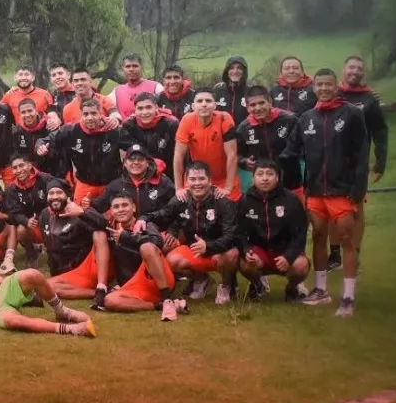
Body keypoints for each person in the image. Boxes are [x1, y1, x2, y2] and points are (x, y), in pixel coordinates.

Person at [283, 68, 369, 317]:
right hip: (316, 191)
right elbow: (290, 152)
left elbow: (362, 154)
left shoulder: (352, 114)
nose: (323, 89)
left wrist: (359, 187)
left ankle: (349, 297)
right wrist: (279, 172)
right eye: (319, 85)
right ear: (314, 88)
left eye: (328, 84)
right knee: (319, 237)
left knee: (346, 242)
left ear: (336, 86)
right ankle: (320, 290)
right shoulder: (307, 117)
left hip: (343, 191)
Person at [139, 161, 240, 305]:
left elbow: (231, 236)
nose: (197, 183)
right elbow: (164, 214)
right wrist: (144, 218)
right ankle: (201, 279)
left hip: (218, 251)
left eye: (201, 179)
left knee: (232, 254)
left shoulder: (223, 203)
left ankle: (226, 286)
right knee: (171, 260)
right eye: (192, 179)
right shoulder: (182, 199)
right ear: (186, 182)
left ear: (210, 181)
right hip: (194, 250)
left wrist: (209, 246)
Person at [338, 55, 389, 269]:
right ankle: (334, 256)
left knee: (356, 208)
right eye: (351, 67)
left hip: (357, 162)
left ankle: (354, 254)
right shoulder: (331, 92)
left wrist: (380, 161)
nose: (355, 72)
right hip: (329, 159)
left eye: (359, 69)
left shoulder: (369, 98)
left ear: (363, 73)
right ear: (344, 69)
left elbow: (380, 130)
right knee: (331, 210)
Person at [98, 192, 183, 319]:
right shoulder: (112, 229)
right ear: (111, 211)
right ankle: (159, 306)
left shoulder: (144, 224)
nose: (121, 209)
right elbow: (94, 221)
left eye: (125, 205)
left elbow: (157, 241)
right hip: (136, 285)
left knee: (147, 246)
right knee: (110, 301)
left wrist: (127, 237)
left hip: (156, 279)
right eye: (116, 207)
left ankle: (167, 298)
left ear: (133, 208)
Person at [238, 160, 310, 302]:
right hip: (260, 252)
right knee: (244, 263)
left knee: (301, 266)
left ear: (278, 177)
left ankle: (293, 287)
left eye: (270, 174)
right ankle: (258, 285)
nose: (265, 178)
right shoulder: (245, 200)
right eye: (260, 174)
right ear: (253, 178)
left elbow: (300, 234)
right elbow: (238, 232)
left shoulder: (291, 199)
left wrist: (289, 256)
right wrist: (246, 250)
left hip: (284, 251)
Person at [37, 99, 124, 206]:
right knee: (79, 216)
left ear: (100, 113)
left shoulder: (113, 129)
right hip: (85, 183)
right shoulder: (71, 130)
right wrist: (40, 146)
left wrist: (120, 121)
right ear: (81, 115)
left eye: (93, 113)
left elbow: (131, 140)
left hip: (110, 183)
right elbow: (45, 140)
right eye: (86, 114)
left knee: (114, 217)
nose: (90, 117)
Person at [40, 181, 113, 307]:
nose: (55, 196)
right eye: (51, 193)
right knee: (46, 287)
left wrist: (83, 213)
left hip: (87, 267)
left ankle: (101, 288)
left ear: (68, 196)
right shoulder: (45, 215)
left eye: (59, 192)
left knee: (99, 234)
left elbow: (106, 226)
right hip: (68, 273)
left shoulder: (80, 210)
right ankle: (98, 293)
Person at [174, 86, 240, 201]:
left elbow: (232, 155)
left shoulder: (225, 118)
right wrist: (179, 188)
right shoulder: (187, 120)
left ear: (215, 105)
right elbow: (179, 155)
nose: (204, 104)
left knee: (230, 209)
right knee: (187, 207)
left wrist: (228, 188)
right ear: (193, 106)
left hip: (223, 178)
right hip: (197, 178)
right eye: (200, 101)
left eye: (208, 101)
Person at [236, 85, 303, 198]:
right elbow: (237, 155)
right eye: (252, 105)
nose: (257, 108)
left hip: (291, 184)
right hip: (262, 186)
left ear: (270, 102)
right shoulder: (243, 128)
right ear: (247, 108)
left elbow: (302, 147)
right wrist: (243, 161)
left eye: (261, 103)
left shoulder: (290, 120)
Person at [4, 156, 62, 268]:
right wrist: (26, 221)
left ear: (30, 166)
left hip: (51, 219)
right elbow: (14, 213)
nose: (19, 170)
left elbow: (59, 196)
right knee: (20, 230)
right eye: (15, 168)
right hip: (32, 225)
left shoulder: (45, 179)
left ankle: (55, 252)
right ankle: (31, 253)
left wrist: (47, 215)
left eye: (22, 165)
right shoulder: (11, 189)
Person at [92, 144, 175, 216]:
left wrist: (172, 230)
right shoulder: (115, 185)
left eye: (140, 159)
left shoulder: (163, 182)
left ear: (147, 163)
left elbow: (177, 207)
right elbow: (97, 207)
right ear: (124, 163)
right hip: (125, 232)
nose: (136, 162)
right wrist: (87, 205)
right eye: (131, 159)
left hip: (156, 231)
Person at [120, 92, 179, 180]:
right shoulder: (128, 125)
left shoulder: (171, 124)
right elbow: (126, 153)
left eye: (148, 107)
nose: (144, 112)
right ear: (135, 110)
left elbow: (178, 154)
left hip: (168, 173)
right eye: (140, 108)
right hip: (139, 173)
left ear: (156, 107)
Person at [11, 98, 68, 179]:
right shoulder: (17, 131)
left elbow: (58, 145)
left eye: (30, 111)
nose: (27, 115)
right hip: (33, 172)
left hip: (55, 170)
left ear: (36, 110)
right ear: (19, 114)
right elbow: (19, 153)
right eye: (23, 112)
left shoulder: (50, 123)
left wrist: (44, 147)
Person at [109, 54, 164, 119]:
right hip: (125, 128)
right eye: (128, 66)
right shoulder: (117, 91)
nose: (131, 69)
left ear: (141, 67)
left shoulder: (156, 87)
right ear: (123, 68)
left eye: (135, 66)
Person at [214, 57, 250, 125]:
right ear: (226, 71)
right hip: (221, 134)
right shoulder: (217, 90)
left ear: (244, 71)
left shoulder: (250, 92)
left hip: (243, 134)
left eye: (239, 68)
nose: (235, 71)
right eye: (231, 68)